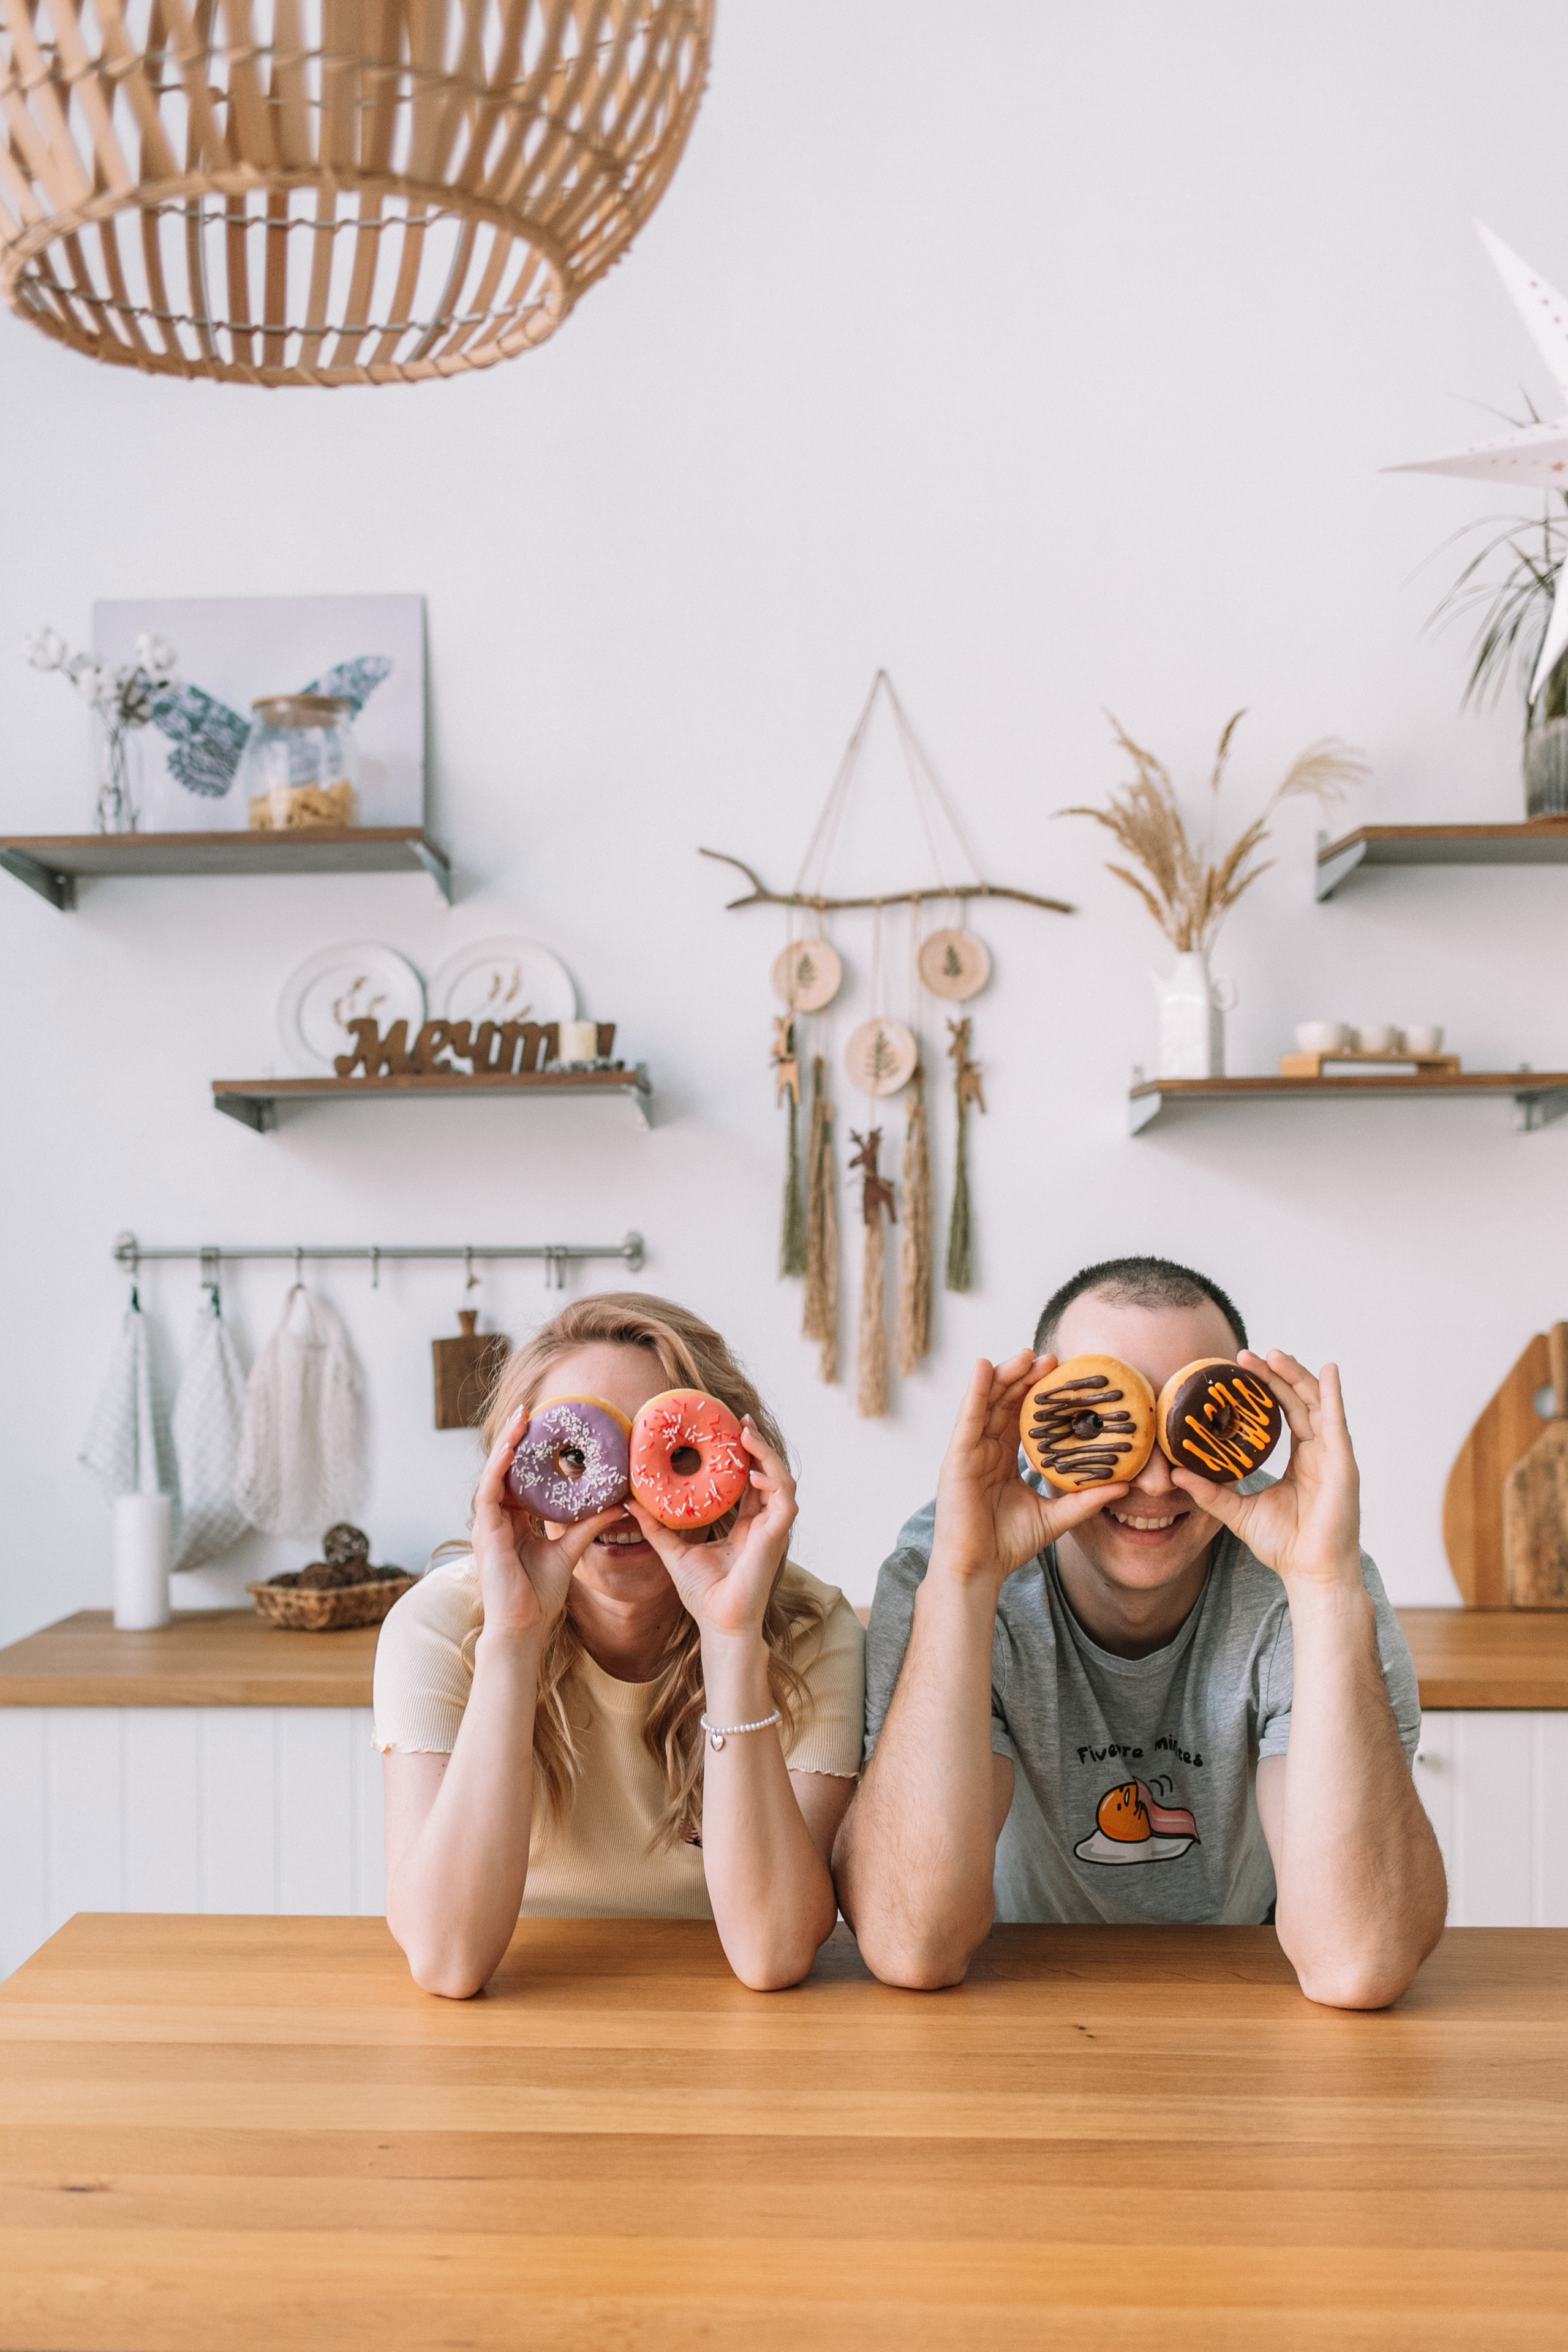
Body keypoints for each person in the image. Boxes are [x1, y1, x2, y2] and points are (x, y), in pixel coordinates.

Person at [833, 1255, 1446, 2008]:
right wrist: (965, 1583)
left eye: (1193, 1426)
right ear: (1035, 1425)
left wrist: (1323, 1589)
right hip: (1017, 1991)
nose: (1155, 1481)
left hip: (1244, 1992)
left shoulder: (1307, 1564)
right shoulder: (946, 1566)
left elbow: (1357, 1961)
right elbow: (913, 1943)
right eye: (1100, 1423)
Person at [376, 1293, 864, 1997]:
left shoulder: (811, 1631)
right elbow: (447, 1960)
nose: (621, 1497)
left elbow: (772, 1952)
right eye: (578, 1456)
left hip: (729, 2021)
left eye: (669, 1455)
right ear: (514, 1473)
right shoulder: (440, 1626)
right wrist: (513, 1639)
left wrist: (731, 1639)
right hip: (523, 2013)